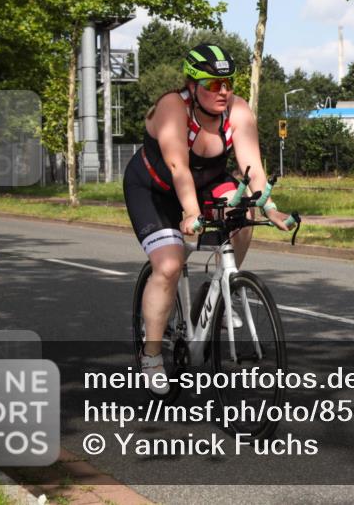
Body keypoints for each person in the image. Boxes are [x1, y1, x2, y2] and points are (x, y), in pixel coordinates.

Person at [122, 43, 290, 393]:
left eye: (228, 82)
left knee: (242, 211)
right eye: (213, 84)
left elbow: (252, 170)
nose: (223, 91)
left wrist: (271, 208)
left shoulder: (237, 111)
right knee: (168, 266)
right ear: (193, 85)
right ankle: (151, 354)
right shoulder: (173, 107)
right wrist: (192, 213)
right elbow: (177, 167)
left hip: (205, 186)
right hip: (154, 189)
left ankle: (224, 285)